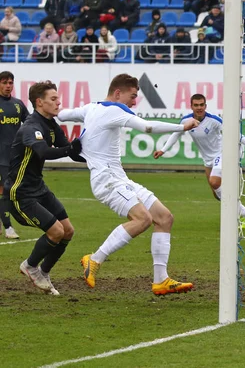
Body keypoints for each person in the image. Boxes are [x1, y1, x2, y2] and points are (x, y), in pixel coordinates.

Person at [57, 74, 199, 295]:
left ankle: (161, 280)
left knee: (164, 217)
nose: (134, 102)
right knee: (143, 219)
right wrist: (182, 127)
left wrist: (53, 109)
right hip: (107, 180)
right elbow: (148, 127)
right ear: (117, 93)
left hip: (119, 179)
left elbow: (63, 114)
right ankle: (94, 260)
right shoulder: (115, 110)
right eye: (133, 96)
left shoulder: (91, 108)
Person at [5, 81, 84, 295]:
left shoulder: (51, 123)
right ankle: (30, 266)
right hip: (20, 193)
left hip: (39, 188)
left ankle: (44, 271)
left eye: (58, 98)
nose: (59, 102)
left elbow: (70, 149)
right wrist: (69, 149)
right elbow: (43, 151)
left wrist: (94, 154)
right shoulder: (31, 126)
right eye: (53, 99)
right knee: (56, 231)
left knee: (68, 231)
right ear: (39, 102)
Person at [153, 94, 245, 229]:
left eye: (201, 105)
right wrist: (163, 150)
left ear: (205, 106)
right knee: (216, 194)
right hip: (207, 159)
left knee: (214, 182)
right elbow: (176, 134)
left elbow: (235, 134)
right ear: (191, 106)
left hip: (222, 153)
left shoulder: (214, 120)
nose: (199, 108)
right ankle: (243, 213)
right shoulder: (185, 121)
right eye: (196, 105)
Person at [0, 71, 29, 239]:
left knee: (7, 190)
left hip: (12, 157)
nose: (8, 85)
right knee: (5, 191)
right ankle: (8, 227)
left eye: (10, 82)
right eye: (4, 82)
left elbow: (30, 123)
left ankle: (5, 224)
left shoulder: (18, 104)